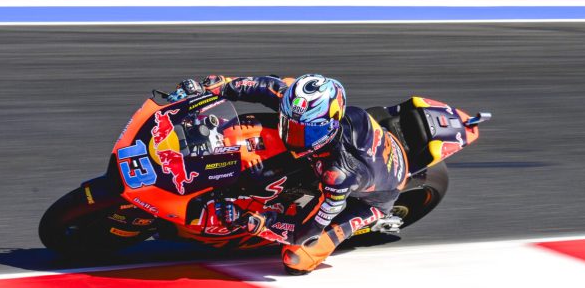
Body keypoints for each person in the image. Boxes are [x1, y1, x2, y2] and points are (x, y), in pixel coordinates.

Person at [173, 73, 409, 275]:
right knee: (281, 85)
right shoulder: (303, 110)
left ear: (329, 126)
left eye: (303, 132)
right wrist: (214, 87)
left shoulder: (338, 176)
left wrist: (259, 223)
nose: (291, 136)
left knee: (296, 259)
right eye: (288, 125)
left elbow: (303, 231)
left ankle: (366, 223)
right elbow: (265, 86)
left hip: (373, 195)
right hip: (357, 151)